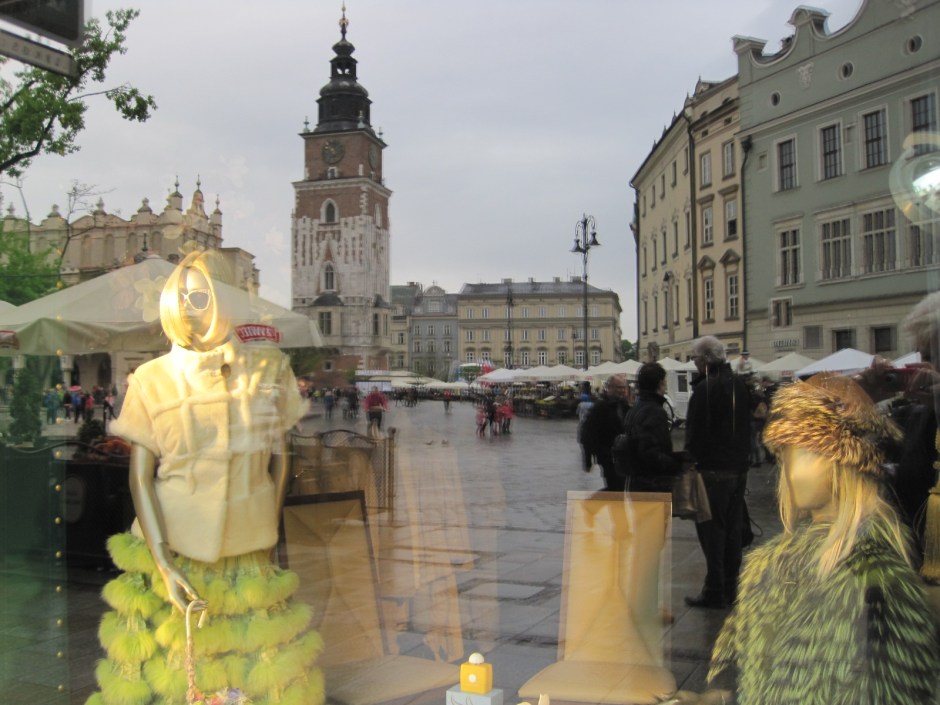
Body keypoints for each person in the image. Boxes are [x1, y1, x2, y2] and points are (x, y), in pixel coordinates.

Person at [87, 251, 322, 705]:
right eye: (180, 297)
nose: (189, 307)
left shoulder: (269, 370)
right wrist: (162, 560)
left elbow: (281, 459)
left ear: (226, 299)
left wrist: (268, 531)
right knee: (172, 673)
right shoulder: (152, 378)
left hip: (248, 550)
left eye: (200, 296)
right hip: (174, 544)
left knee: (257, 674)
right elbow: (140, 478)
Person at [701, 374, 940, 705]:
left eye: (808, 454)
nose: (792, 472)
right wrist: (717, 696)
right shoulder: (768, 566)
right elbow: (739, 663)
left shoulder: (878, 583)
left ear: (846, 463)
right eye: (786, 456)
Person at [684, 336, 751, 608]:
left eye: (695, 359)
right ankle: (731, 587)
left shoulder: (706, 389)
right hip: (738, 469)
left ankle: (714, 591)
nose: (695, 363)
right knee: (732, 531)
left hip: (713, 471)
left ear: (705, 361)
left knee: (712, 534)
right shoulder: (739, 385)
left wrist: (690, 461)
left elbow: (695, 433)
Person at [618, 362, 683, 493]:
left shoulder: (635, 409)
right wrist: (676, 465)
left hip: (636, 481)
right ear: (660, 384)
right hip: (652, 484)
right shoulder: (654, 411)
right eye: (664, 383)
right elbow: (650, 453)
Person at [581, 374, 631, 491]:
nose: (622, 390)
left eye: (624, 387)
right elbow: (587, 433)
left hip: (624, 457)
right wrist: (588, 460)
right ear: (610, 387)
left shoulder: (624, 405)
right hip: (607, 457)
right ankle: (591, 501)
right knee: (615, 488)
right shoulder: (600, 406)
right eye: (619, 387)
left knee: (620, 488)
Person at [576, 384, 595, 472]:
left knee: (582, 439)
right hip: (591, 424)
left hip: (582, 424)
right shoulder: (592, 404)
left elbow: (577, 413)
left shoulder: (580, 405)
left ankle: (586, 462)